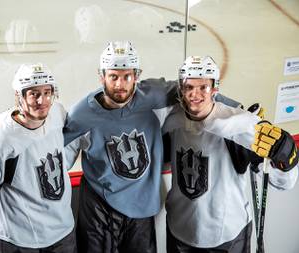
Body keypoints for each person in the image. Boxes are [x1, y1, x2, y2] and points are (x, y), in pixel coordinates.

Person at [63, 41, 238, 253]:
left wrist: (239, 111)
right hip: (100, 208)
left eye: (127, 76)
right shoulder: (81, 115)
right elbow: (58, 157)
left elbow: (199, 91)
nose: (120, 84)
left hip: (142, 208)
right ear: (101, 76)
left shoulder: (155, 96)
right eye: (113, 76)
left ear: (137, 75)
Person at [162, 56, 299, 253]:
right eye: (189, 87)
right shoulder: (171, 119)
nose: (195, 94)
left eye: (203, 87)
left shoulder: (240, 124)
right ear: (180, 89)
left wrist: (285, 156)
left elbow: (283, 182)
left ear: (215, 88)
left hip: (228, 236)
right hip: (180, 231)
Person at [0, 63, 76, 253]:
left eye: (47, 92)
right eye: (34, 93)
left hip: (63, 233)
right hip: (19, 241)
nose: (42, 100)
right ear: (19, 95)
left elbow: (61, 158)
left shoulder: (57, 114)